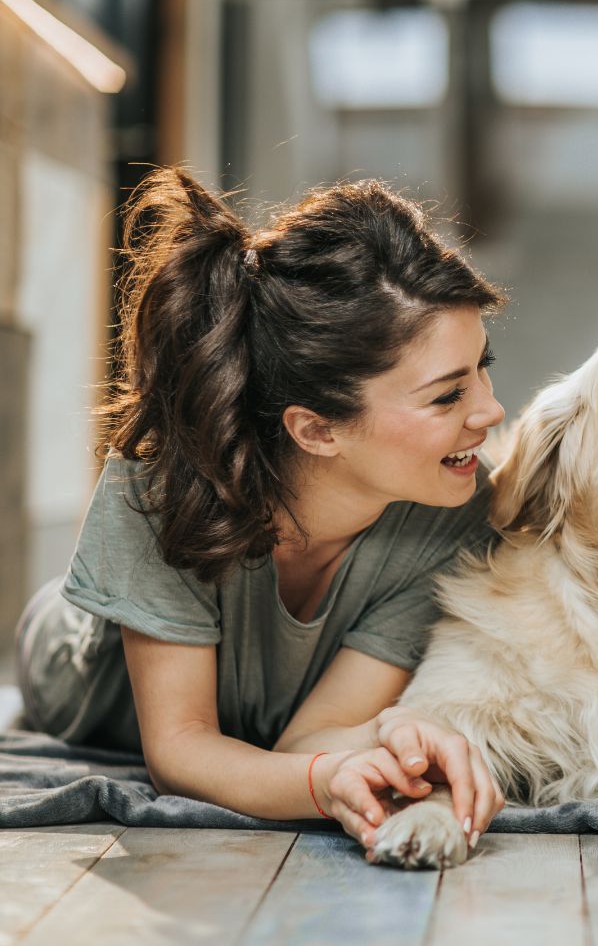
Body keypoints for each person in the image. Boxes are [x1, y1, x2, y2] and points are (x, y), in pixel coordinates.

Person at [15, 168, 508, 852]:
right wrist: (324, 781)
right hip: (80, 673)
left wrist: (387, 737)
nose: (490, 409)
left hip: (267, 709)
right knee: (61, 625)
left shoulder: (454, 513)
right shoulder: (157, 490)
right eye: (446, 396)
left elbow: (308, 741)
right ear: (316, 430)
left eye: (485, 366)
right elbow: (180, 750)